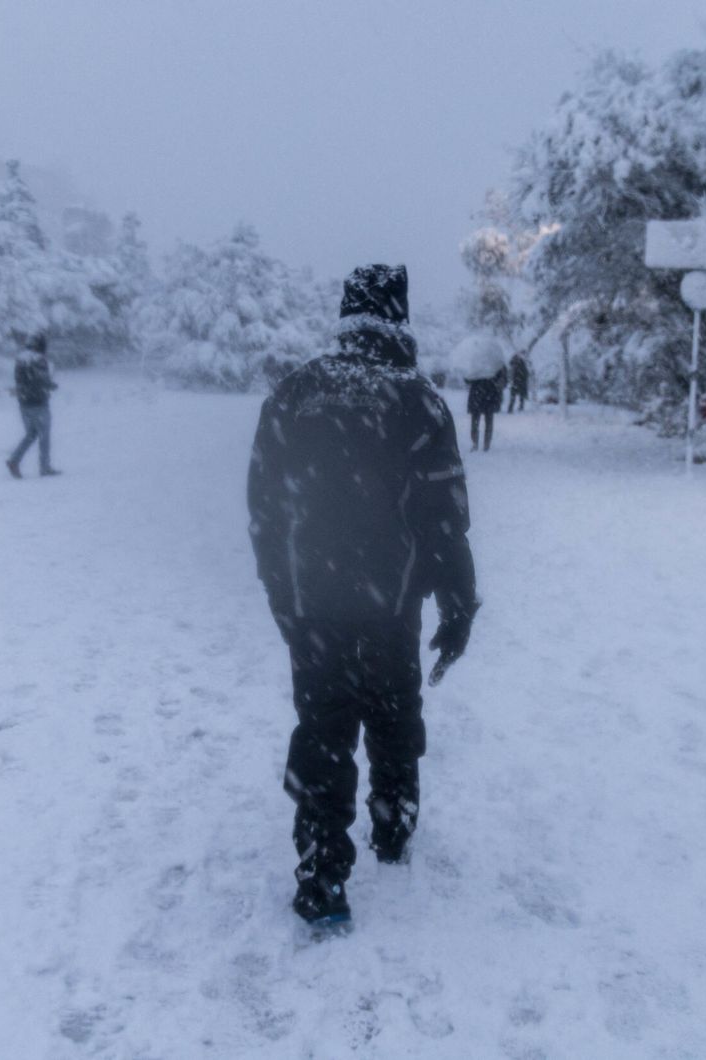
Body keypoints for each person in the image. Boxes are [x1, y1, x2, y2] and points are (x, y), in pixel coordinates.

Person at [248, 263, 478, 929]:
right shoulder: (421, 402)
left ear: (347, 316)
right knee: (393, 714)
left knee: (322, 729)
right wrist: (458, 603)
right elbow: (444, 517)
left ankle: (321, 865)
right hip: (391, 602)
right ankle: (394, 822)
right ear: (397, 319)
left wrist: (281, 594)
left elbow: (265, 507)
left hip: (313, 602)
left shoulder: (294, 394)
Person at [7, 333, 59, 478]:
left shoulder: (20, 359)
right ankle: (45, 467)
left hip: (24, 403)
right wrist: (51, 385)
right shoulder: (39, 359)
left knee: (31, 434)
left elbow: (22, 380)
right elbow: (41, 380)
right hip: (39, 402)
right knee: (44, 436)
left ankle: (14, 460)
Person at [467, 365, 505, 451]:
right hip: (487, 396)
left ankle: (481, 444)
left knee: (480, 422)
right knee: (484, 422)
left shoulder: (478, 362)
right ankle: (480, 444)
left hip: (482, 396)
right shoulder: (494, 362)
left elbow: (502, 380)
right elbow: (467, 379)